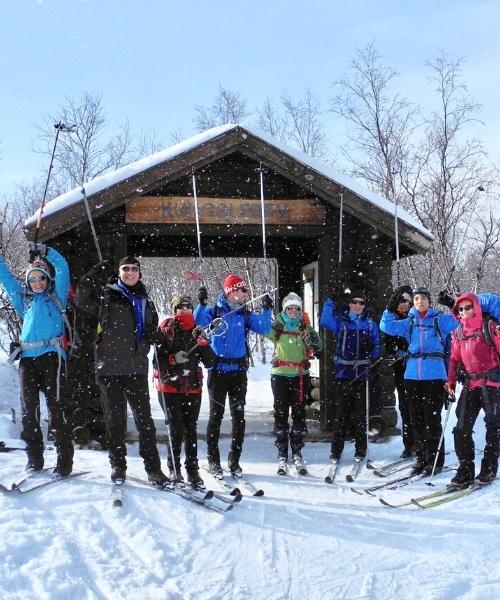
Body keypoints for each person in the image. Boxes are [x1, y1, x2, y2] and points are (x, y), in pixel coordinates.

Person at [75, 256, 168, 486]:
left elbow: (149, 328)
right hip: (109, 368)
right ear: (119, 273)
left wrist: (155, 335)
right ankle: (118, 466)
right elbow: (80, 298)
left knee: (145, 422)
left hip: (136, 368)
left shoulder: (145, 300)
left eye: (134, 269)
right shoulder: (106, 296)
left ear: (139, 273)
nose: (130, 273)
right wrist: (95, 272)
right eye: (125, 269)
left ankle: (154, 469)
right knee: (115, 422)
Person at [0, 242, 74, 476]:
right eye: (33, 279)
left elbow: (62, 268)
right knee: (28, 410)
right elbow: (5, 278)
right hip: (27, 361)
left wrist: (46, 252)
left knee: (56, 408)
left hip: (52, 357)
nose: (37, 283)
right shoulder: (25, 301)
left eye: (41, 278)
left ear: (47, 279)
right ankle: (34, 458)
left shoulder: (57, 297)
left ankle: (64, 460)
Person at [194, 274, 273, 477]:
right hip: (218, 372)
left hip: (238, 372)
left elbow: (264, 327)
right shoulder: (215, 312)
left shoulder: (244, 314)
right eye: (242, 290)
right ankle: (213, 461)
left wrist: (266, 309)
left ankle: (234, 460)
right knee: (216, 416)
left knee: (239, 417)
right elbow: (198, 324)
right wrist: (201, 304)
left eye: (246, 291)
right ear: (231, 292)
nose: (245, 294)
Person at [381, 286, 461, 475]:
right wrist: (390, 306)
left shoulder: (438, 320)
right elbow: (386, 326)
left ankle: (434, 460)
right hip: (411, 376)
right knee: (416, 420)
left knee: (431, 420)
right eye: (416, 299)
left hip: (434, 375)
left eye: (423, 298)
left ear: (429, 301)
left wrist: (452, 305)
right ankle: (421, 458)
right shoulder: (409, 321)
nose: (419, 302)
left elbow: (461, 320)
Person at [153, 294, 215, 488]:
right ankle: (174, 468)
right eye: (181, 307)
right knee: (175, 428)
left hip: (193, 387)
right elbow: (156, 360)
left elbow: (210, 362)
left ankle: (192, 469)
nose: (185, 310)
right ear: (175, 309)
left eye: (188, 307)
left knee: (191, 428)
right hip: (170, 386)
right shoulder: (167, 329)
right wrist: (172, 360)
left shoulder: (197, 331)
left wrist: (204, 346)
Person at [320, 290, 381, 463]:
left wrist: (372, 349)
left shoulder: (370, 324)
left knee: (361, 415)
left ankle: (361, 450)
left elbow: (377, 348)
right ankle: (336, 451)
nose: (358, 305)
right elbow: (325, 320)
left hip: (363, 373)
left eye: (362, 303)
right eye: (355, 302)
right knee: (342, 414)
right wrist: (330, 301)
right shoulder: (341, 322)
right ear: (349, 304)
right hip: (344, 374)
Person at [446, 293, 500, 488]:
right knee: (460, 429)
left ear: (476, 307)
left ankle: (488, 469)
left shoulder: (490, 327)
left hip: (492, 384)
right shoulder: (458, 333)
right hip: (470, 385)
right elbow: (454, 359)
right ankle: (465, 470)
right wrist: (450, 380)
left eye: (468, 307)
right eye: (460, 309)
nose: (464, 312)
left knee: (494, 428)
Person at [267, 292, 322, 475]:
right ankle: (282, 452)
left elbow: (319, 344)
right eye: (289, 308)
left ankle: (297, 450)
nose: (292, 311)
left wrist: (313, 341)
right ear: (284, 309)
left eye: (296, 308)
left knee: (299, 413)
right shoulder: (278, 324)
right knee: (281, 413)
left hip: (300, 374)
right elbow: (265, 332)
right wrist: (267, 313)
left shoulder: (304, 325)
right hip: (280, 374)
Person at [384, 285, 414, 458]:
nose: (404, 304)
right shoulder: (392, 320)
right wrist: (395, 351)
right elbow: (387, 342)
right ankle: (409, 445)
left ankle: (420, 443)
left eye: (407, 301)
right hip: (401, 369)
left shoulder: (414, 318)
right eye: (401, 301)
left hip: (417, 368)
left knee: (417, 407)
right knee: (404, 406)